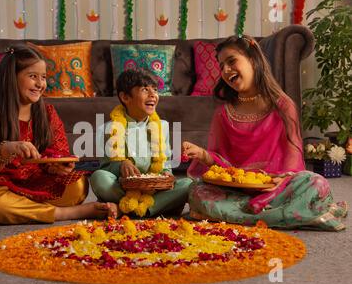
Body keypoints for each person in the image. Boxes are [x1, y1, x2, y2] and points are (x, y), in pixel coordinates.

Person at [182, 35, 347, 231]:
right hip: (238, 190)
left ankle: (246, 215)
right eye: (221, 66)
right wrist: (202, 154)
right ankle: (296, 215)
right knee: (196, 191)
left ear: (253, 59)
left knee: (315, 182)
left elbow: (293, 158)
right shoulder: (223, 114)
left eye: (232, 61)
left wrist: (280, 181)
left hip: (278, 187)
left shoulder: (283, 106)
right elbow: (223, 167)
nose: (226, 70)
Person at [0, 46, 117, 228]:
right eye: (33, 76)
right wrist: (6, 149)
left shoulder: (47, 112)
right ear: (12, 78)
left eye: (43, 77)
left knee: (79, 186)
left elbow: (57, 153)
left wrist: (57, 167)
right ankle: (64, 213)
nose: (40, 84)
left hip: (34, 183)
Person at [90, 69, 192, 217]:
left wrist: (166, 174)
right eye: (145, 89)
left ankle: (130, 210)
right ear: (125, 97)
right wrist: (121, 164)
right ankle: (155, 208)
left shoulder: (161, 126)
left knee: (187, 184)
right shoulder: (108, 129)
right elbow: (105, 167)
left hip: (153, 190)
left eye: (155, 90)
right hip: (123, 188)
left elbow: (165, 165)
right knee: (98, 177)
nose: (153, 95)